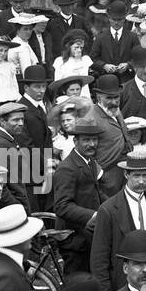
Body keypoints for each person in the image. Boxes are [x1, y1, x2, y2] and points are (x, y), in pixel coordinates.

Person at [91, 144, 146, 291]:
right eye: (136, 176)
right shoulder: (109, 209)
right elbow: (99, 259)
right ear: (126, 175)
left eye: (145, 175)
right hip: (121, 286)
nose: (141, 181)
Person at [51, 117, 106, 275]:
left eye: (94, 139)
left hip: (89, 237)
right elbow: (62, 206)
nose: (92, 144)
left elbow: (95, 192)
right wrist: (94, 215)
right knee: (76, 287)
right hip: (75, 240)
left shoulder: (89, 162)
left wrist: (114, 206)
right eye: (86, 140)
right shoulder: (67, 168)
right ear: (75, 141)